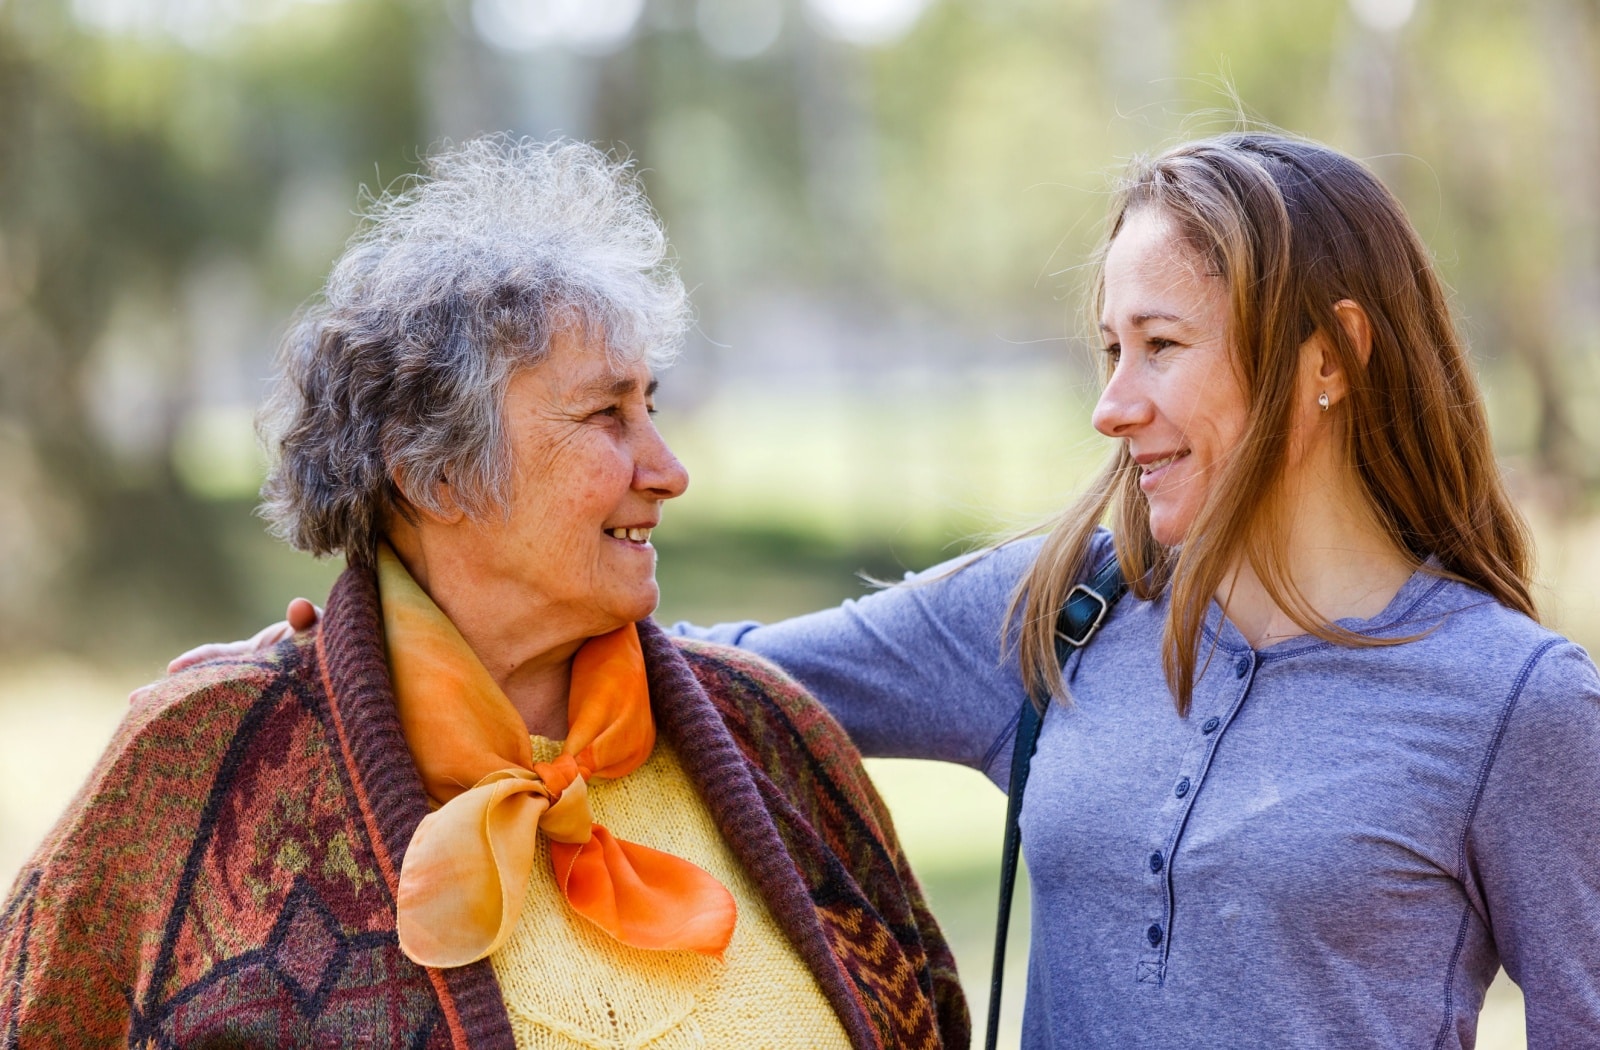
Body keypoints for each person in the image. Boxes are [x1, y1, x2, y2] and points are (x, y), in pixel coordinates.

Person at [155, 132, 1600, 1048]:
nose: (1114, 405)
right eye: (1106, 349)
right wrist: (334, 657)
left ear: (1329, 356)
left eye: (1161, 346)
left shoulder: (1517, 705)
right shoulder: (1060, 609)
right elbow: (714, 674)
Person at [0, 136, 968, 1049]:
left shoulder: (776, 740)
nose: (668, 469)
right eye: (606, 415)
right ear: (436, 475)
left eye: (652, 407)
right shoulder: (202, 764)